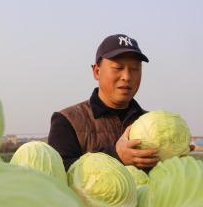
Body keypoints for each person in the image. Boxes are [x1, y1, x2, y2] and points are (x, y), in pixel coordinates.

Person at [48, 34, 159, 172]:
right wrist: (116, 157)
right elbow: (58, 171)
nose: (127, 77)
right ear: (96, 71)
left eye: (135, 69)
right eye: (118, 68)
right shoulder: (67, 121)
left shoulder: (151, 123)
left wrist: (176, 158)